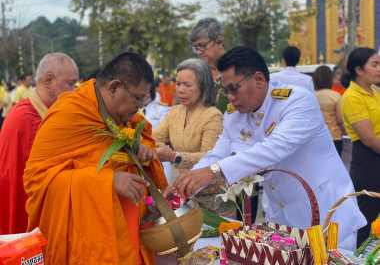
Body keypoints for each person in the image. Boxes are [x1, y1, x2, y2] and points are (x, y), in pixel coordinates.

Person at [174, 46, 365, 250]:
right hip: (280, 219)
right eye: (225, 89)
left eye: (234, 88)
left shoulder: (297, 101)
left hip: (325, 214)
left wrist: (215, 171)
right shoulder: (234, 115)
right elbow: (218, 153)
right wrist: (186, 183)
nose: (229, 97)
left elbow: (274, 148)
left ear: (258, 79)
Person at [23, 52, 169, 264]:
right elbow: (36, 179)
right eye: (138, 98)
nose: (140, 106)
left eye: (144, 100)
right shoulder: (69, 114)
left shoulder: (122, 114)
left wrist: (145, 149)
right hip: (89, 241)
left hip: (131, 233)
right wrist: (106, 180)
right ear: (114, 87)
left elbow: (143, 135)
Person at [0, 53, 79, 235]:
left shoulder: (41, 112)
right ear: (49, 80)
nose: (74, 90)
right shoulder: (28, 118)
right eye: (70, 84)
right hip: (26, 213)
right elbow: (37, 181)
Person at [153, 58, 234, 218]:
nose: (180, 90)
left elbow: (211, 157)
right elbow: (153, 138)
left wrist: (173, 157)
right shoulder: (174, 112)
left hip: (211, 198)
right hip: (182, 194)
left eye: (187, 85)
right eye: (178, 84)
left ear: (203, 87)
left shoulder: (213, 116)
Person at [340, 47, 380, 246]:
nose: (379, 69)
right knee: (369, 221)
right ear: (359, 69)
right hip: (368, 162)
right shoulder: (352, 96)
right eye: (374, 64)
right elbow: (369, 139)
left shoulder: (373, 92)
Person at [189, 17, 229, 113]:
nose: (198, 52)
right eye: (196, 47)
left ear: (219, 41)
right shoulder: (196, 75)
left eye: (202, 45)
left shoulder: (239, 69)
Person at [312, 65, 343, 155]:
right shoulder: (335, 95)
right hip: (334, 137)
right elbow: (340, 120)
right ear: (330, 79)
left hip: (315, 138)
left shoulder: (311, 96)